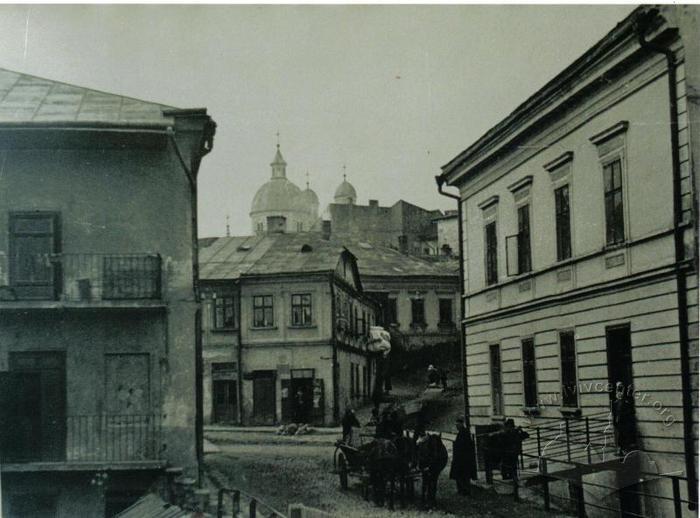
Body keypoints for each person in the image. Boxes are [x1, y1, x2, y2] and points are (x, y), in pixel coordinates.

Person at [450, 417, 476, 495]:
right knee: (461, 475)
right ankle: (462, 490)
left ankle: (464, 491)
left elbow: (465, 445)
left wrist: (456, 445)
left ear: (461, 424)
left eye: (458, 425)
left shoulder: (464, 433)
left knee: (463, 475)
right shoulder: (462, 432)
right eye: (456, 425)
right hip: (461, 458)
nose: (456, 426)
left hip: (463, 458)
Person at [612, 381, 636, 455]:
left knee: (624, 435)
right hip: (618, 421)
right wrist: (615, 420)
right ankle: (620, 449)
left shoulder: (626, 401)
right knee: (619, 435)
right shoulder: (616, 403)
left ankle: (624, 449)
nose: (619, 393)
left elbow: (631, 410)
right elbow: (615, 412)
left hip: (625, 421)